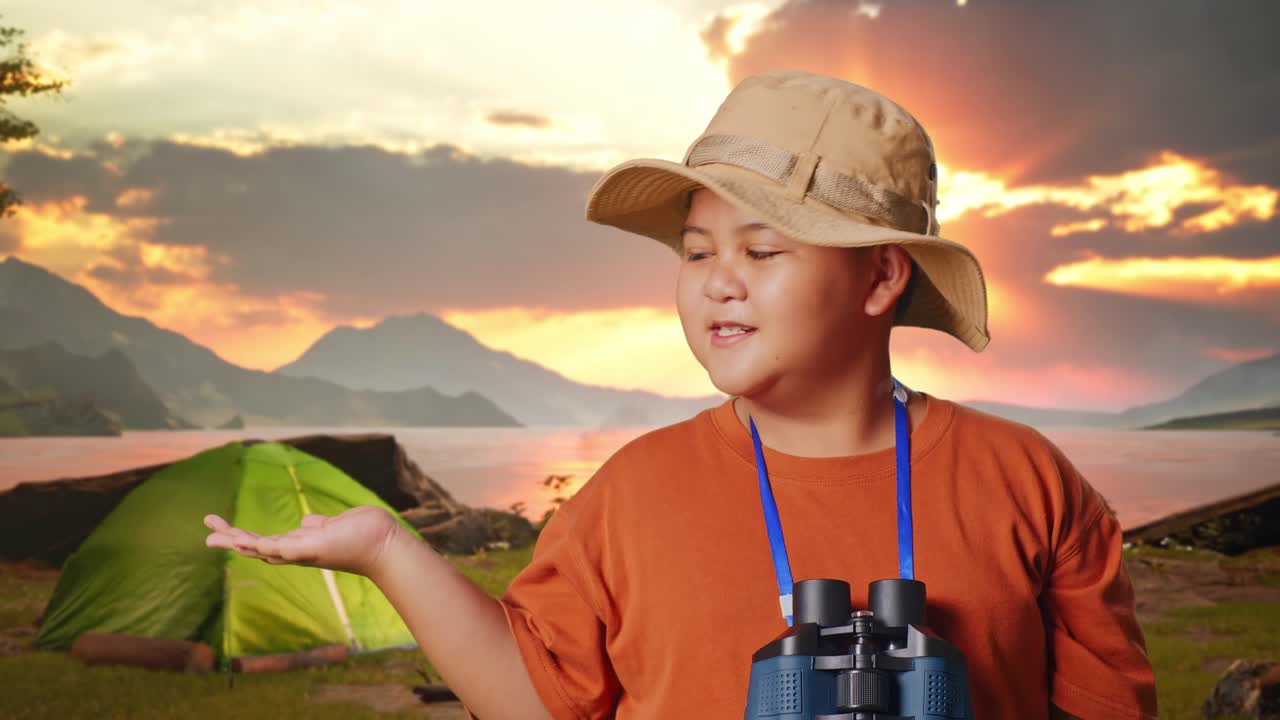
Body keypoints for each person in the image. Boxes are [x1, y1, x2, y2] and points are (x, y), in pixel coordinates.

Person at [204, 70, 1158, 719]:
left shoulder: (1025, 480)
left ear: (880, 281)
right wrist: (383, 549)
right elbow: (541, 699)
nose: (717, 281)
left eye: (763, 250)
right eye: (698, 252)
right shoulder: (632, 495)